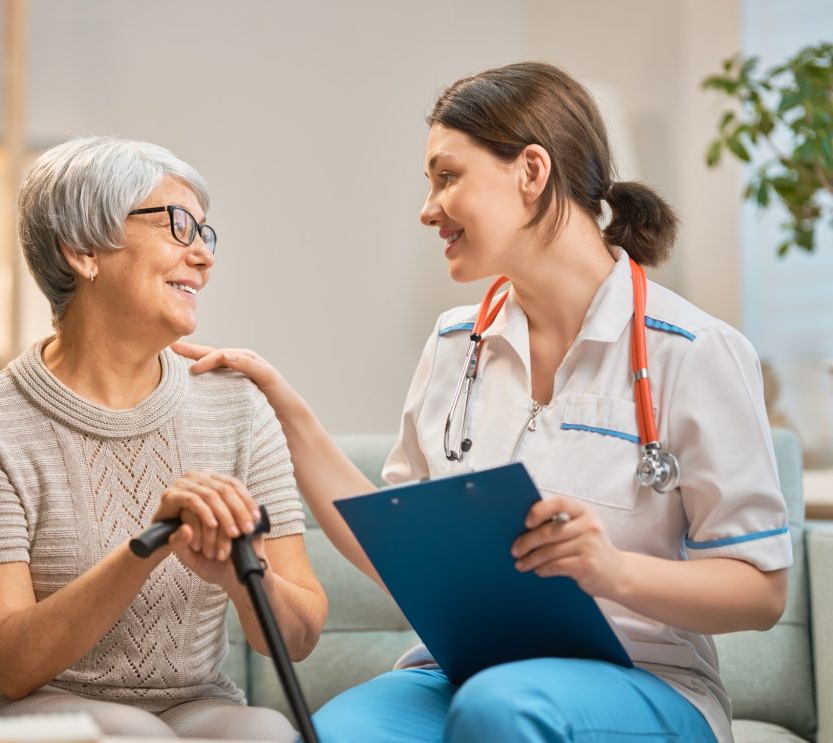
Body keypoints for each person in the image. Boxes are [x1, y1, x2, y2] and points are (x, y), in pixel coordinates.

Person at [175, 63, 790, 743]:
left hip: (650, 680)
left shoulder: (693, 350)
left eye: (447, 176)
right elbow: (396, 547)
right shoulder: (454, 344)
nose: (428, 207)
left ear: (531, 171)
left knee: (502, 708)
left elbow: (760, 592)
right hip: (461, 671)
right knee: (338, 731)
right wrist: (281, 405)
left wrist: (611, 570)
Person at [0, 136, 327, 741]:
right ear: (81, 249)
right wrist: (146, 546)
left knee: (265, 732)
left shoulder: (236, 405)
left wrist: (239, 573)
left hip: (191, 705)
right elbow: (7, 666)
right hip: (0, 707)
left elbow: (303, 634)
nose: (203, 256)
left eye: (205, 233)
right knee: (130, 735)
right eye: (179, 226)